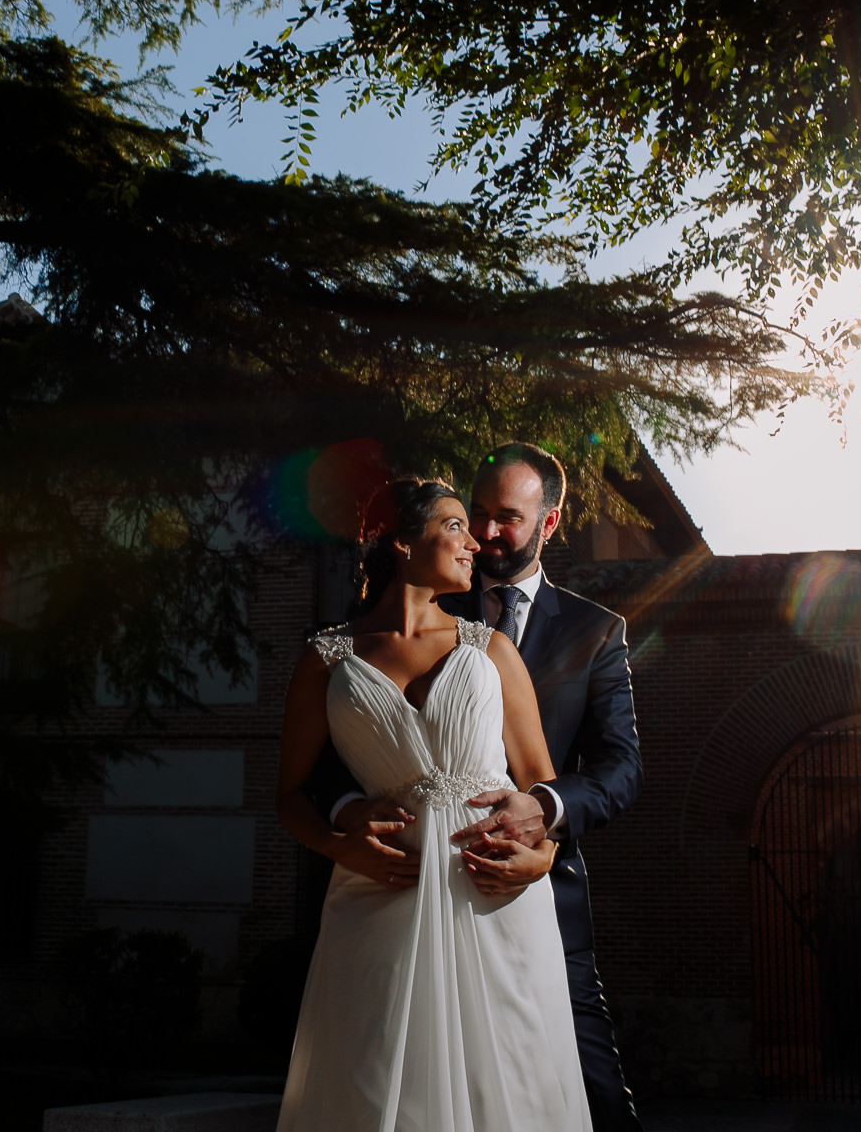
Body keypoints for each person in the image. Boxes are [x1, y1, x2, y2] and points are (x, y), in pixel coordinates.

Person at [326, 443, 645, 1132]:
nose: (486, 534)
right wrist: (351, 815)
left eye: (508, 517)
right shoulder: (415, 597)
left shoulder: (596, 633)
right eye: (476, 516)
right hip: (400, 901)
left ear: (550, 522)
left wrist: (547, 818)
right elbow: (326, 756)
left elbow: (621, 769)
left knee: (591, 1102)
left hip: (539, 900)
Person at [274, 477, 592, 1131]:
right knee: (372, 1083)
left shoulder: (493, 652)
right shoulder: (327, 660)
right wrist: (339, 845)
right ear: (399, 539)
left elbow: (541, 789)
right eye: (454, 525)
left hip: (497, 901)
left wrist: (542, 862)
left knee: (511, 1082)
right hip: (378, 899)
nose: (475, 540)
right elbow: (289, 796)